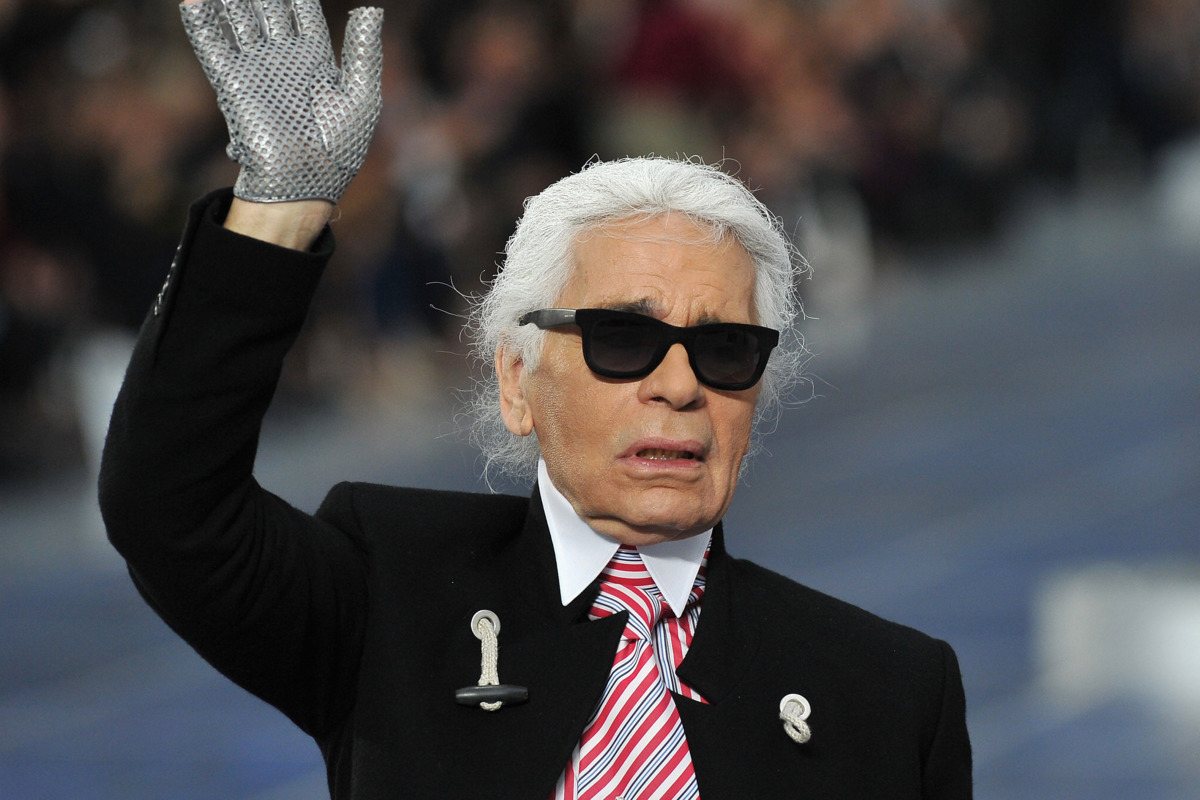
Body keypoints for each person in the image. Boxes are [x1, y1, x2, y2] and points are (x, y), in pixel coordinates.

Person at [99, 1, 973, 798]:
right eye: (621, 339)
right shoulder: (388, 590)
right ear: (517, 381)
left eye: (724, 350)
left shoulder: (891, 694)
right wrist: (276, 215)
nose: (680, 386)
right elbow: (169, 510)